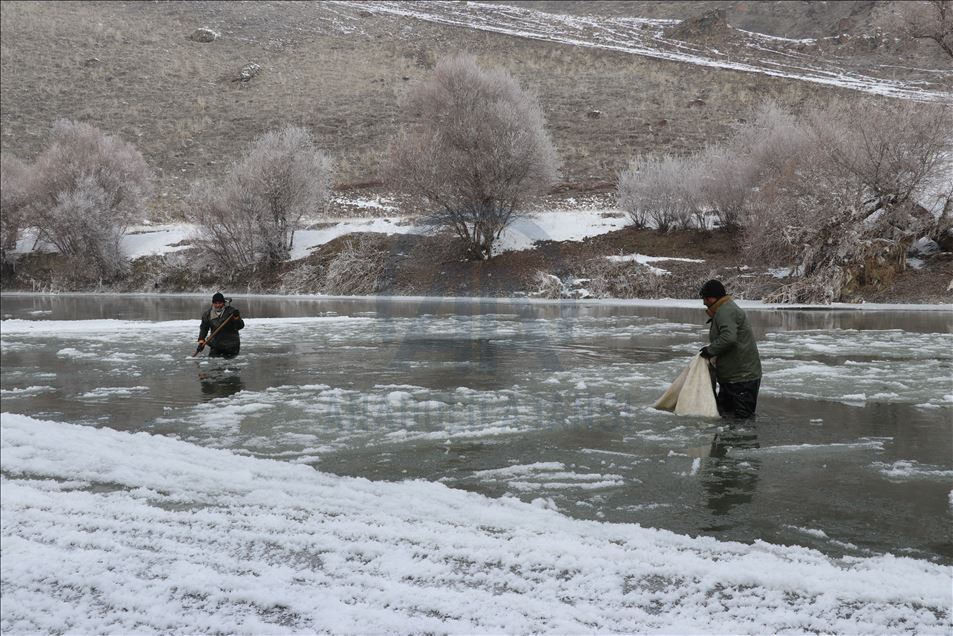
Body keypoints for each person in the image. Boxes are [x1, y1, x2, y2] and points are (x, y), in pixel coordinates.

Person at [698, 279, 762, 419]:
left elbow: (729, 338)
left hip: (742, 379)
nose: (703, 303)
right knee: (727, 418)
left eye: (704, 298)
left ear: (711, 297)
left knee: (741, 422)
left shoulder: (725, 311)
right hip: (734, 378)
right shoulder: (724, 309)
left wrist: (710, 350)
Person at [197, 292, 245, 358]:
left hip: (231, 346)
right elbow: (204, 328)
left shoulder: (231, 312)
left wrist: (236, 318)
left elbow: (240, 326)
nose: (218, 305)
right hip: (215, 345)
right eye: (215, 303)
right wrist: (201, 341)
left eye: (220, 303)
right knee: (214, 365)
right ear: (212, 303)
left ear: (224, 303)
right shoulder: (207, 314)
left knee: (229, 366)